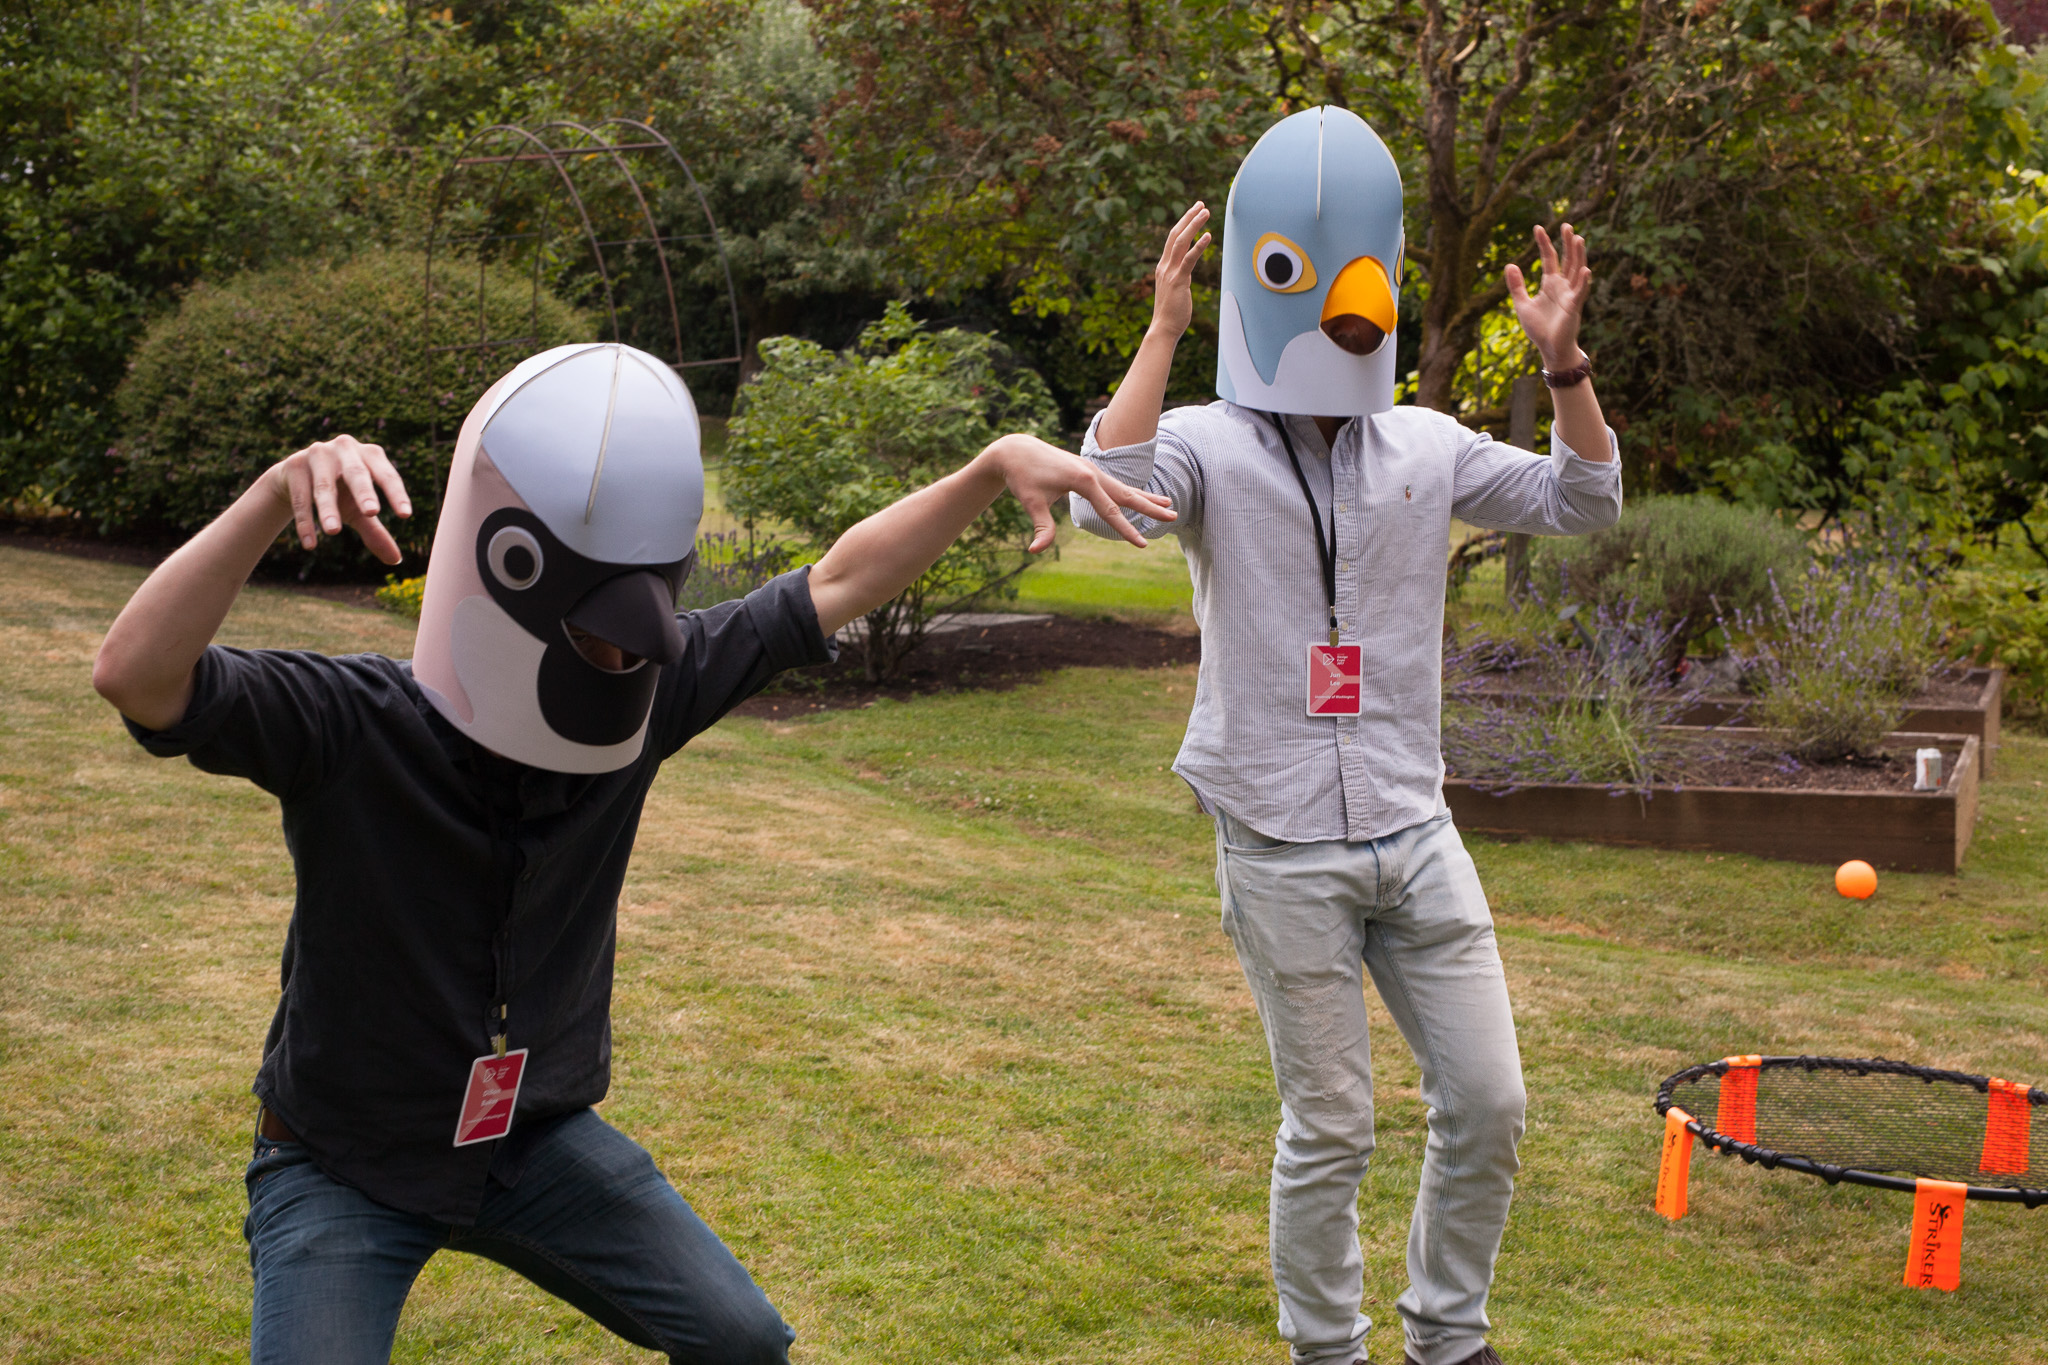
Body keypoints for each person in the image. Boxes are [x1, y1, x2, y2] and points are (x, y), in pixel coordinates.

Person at [90, 340, 1172, 1364]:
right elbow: (136, 677)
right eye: (594, 636)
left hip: (528, 1141)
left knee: (741, 1339)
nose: (619, 662)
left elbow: (835, 584)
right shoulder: (351, 724)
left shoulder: (651, 690)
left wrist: (986, 469)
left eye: (635, 637)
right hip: (342, 1160)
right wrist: (272, 496)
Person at [1068, 107, 1622, 1365]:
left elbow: (1583, 499)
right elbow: (1110, 500)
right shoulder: (1208, 444)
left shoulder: (1424, 443)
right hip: (1278, 841)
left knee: (1488, 1101)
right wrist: (1163, 330)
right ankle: (1327, 1352)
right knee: (1331, 1128)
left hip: (1412, 830)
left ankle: (1446, 1338)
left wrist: (1563, 367)